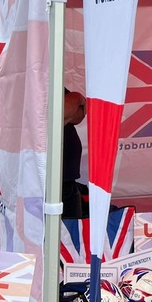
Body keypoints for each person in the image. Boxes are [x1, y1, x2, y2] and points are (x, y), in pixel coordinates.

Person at [63, 89, 87, 219]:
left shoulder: (50, 81)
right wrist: (78, 97)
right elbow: (60, 112)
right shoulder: (32, 83)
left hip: (68, 181)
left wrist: (67, 116)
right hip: (49, 184)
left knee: (72, 233)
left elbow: (80, 114)